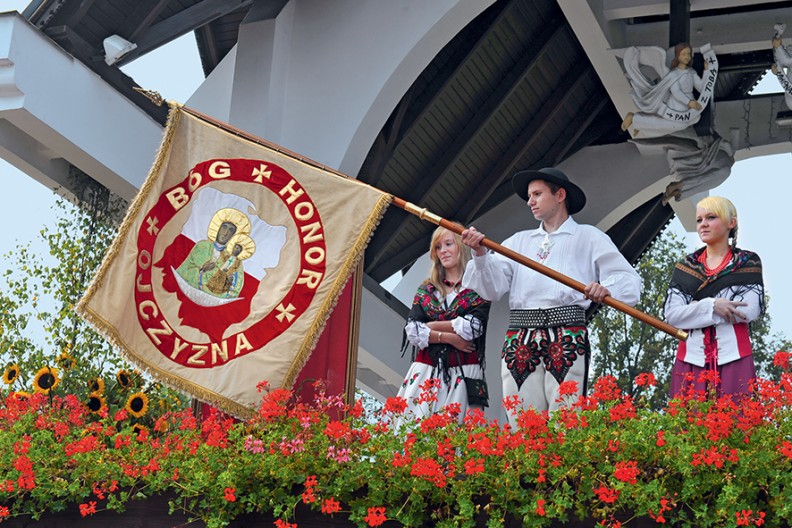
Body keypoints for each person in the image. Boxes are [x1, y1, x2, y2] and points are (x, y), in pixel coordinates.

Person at [461, 167, 641, 420]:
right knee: (521, 416)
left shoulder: (588, 237)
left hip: (567, 333)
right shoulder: (517, 242)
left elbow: (628, 279)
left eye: (537, 194)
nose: (530, 201)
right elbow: (492, 289)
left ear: (560, 195)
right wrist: (480, 255)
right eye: (528, 196)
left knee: (565, 416)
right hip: (521, 335)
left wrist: (606, 288)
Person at [664, 196, 764, 399]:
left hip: (735, 358)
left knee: (737, 424)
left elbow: (749, 310)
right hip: (690, 360)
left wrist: (693, 308)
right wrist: (712, 305)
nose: (703, 224)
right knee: (688, 426)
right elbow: (673, 315)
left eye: (711, 217)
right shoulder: (686, 267)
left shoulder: (748, 262)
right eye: (699, 220)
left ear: (731, 223)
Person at [398, 226, 491, 422]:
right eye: (438, 247)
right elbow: (413, 331)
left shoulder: (477, 285)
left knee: (459, 435)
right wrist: (449, 337)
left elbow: (473, 327)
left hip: (465, 371)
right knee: (416, 429)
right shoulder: (427, 289)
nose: (443, 251)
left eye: (448, 244)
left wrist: (432, 327)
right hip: (427, 370)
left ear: (461, 247)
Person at [621, 42, 709, 138]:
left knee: (695, 119)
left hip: (689, 103)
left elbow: (701, 87)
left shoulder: (691, 72)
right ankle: (635, 119)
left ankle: (642, 124)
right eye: (684, 54)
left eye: (689, 54)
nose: (687, 57)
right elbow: (676, 92)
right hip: (677, 103)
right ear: (678, 56)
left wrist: (707, 71)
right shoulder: (673, 74)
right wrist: (689, 102)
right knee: (680, 124)